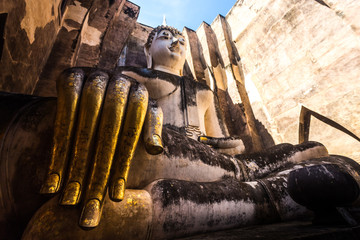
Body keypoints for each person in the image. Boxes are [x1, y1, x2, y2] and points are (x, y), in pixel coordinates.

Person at [2, 25, 360, 239]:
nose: (175, 41)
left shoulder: (203, 91)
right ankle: (267, 195)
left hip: (211, 159)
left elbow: (223, 140)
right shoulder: (134, 75)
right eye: (164, 36)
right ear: (147, 47)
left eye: (180, 39)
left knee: (311, 148)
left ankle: (261, 187)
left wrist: (219, 143)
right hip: (152, 146)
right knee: (149, 143)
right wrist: (107, 84)